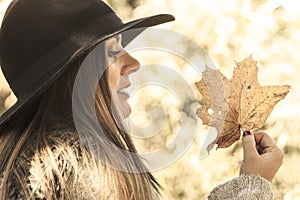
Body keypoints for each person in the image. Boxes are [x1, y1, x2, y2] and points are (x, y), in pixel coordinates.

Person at [0, 0, 283, 199]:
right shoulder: (82, 176)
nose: (132, 63)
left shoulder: (33, 170)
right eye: (112, 53)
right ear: (72, 77)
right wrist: (251, 187)